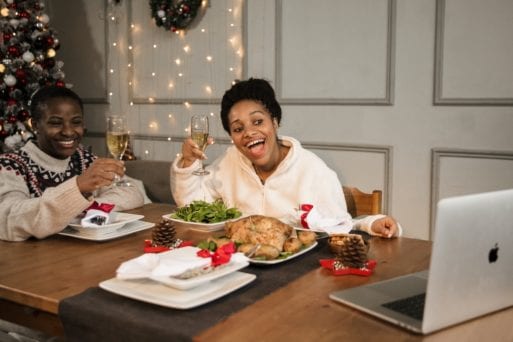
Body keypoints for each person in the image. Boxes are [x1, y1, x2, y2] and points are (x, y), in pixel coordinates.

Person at [171, 78, 401, 237]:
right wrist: (188, 163)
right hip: (238, 266)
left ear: (275, 121)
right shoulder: (228, 162)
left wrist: (369, 223)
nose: (249, 132)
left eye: (258, 121)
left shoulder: (313, 171)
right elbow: (192, 207)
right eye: (238, 128)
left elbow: (338, 226)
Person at [0, 86, 144, 241]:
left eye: (76, 122)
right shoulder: (10, 166)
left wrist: (84, 207)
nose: (68, 131)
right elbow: (9, 221)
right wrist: (78, 187)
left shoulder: (84, 159)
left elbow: (133, 192)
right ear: (35, 125)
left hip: (80, 256)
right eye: (55, 123)